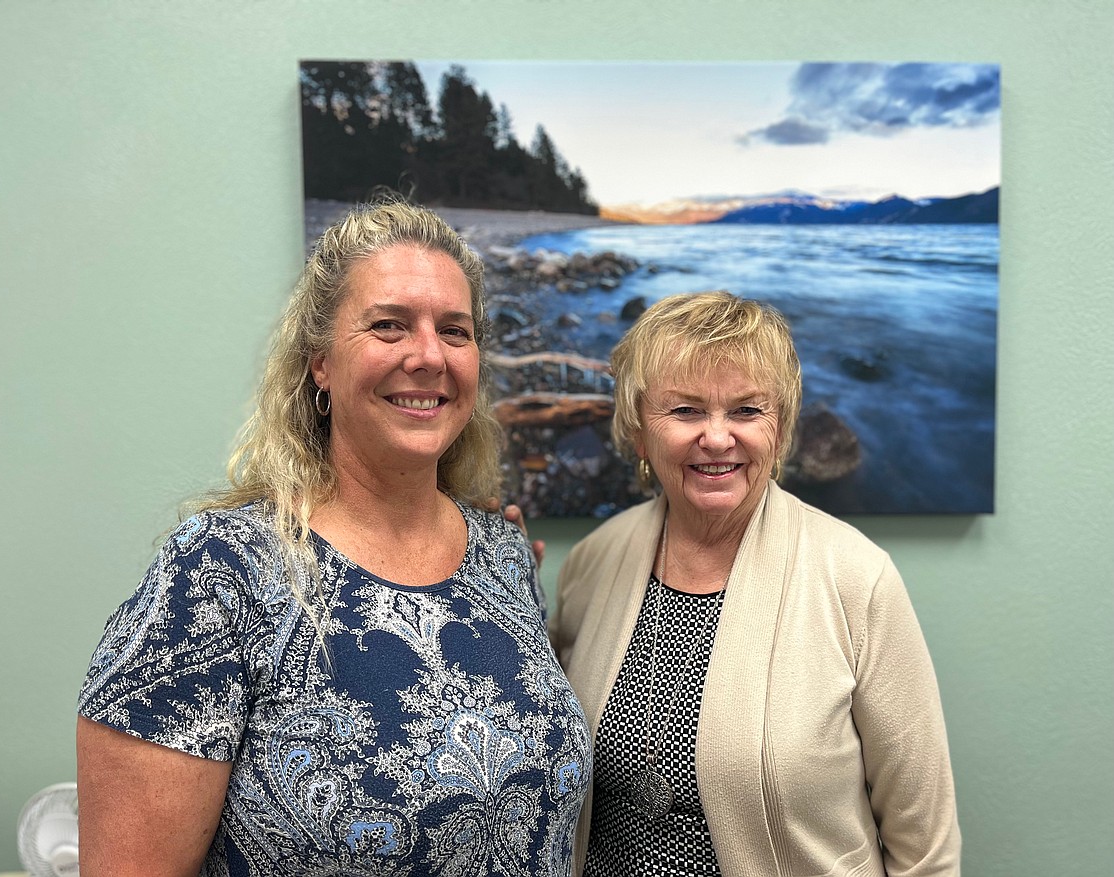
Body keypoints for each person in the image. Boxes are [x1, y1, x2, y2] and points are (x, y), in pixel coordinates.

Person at [77, 200, 592, 876]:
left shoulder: (501, 555)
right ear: (320, 362)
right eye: (389, 326)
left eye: (455, 331)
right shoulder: (217, 574)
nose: (429, 355)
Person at [550, 292, 960, 876]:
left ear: (782, 427)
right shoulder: (594, 561)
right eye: (686, 410)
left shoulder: (856, 578)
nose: (717, 438)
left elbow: (926, 849)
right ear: (639, 432)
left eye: (746, 410)